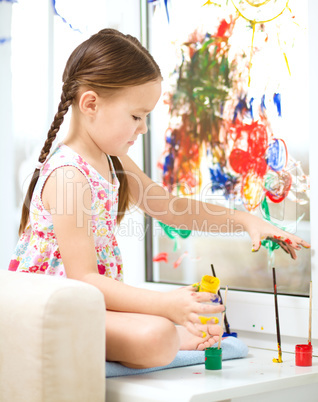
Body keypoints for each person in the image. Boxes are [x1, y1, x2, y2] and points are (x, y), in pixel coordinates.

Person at [9, 28, 310, 369]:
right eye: (136, 116)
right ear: (90, 104)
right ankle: (170, 334)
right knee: (157, 336)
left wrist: (244, 220)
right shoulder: (68, 175)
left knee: (187, 327)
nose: (143, 129)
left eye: (146, 118)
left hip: (89, 306)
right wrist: (166, 305)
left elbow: (171, 209)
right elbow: (84, 280)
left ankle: (173, 333)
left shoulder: (111, 160)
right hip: (56, 312)